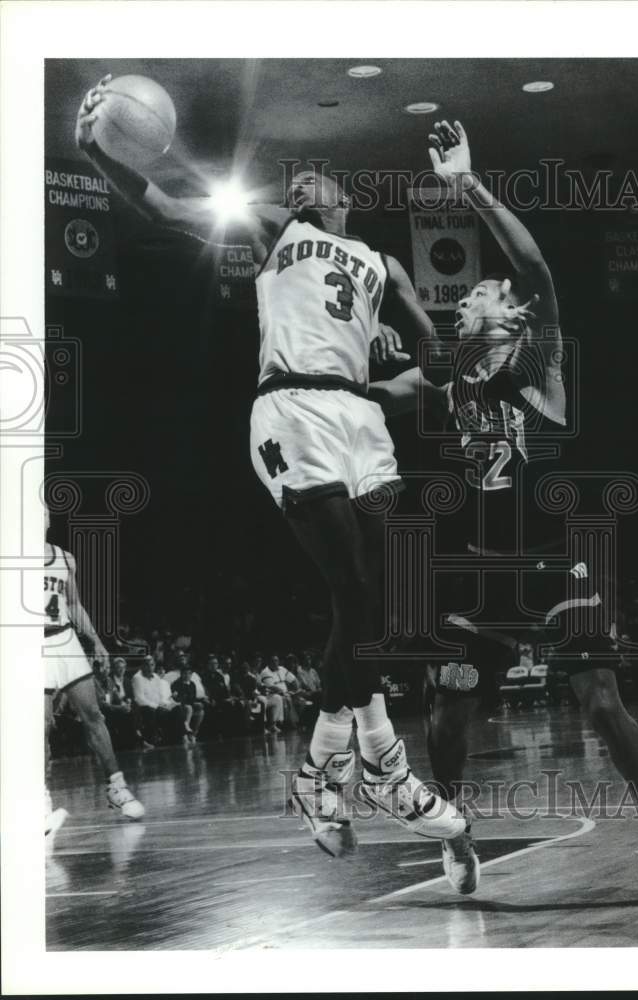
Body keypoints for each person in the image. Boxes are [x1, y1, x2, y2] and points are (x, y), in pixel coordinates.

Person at [75, 77, 464, 857]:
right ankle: (380, 759)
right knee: (350, 586)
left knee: (379, 602)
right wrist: (95, 152)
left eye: (316, 176)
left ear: (343, 197)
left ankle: (320, 768)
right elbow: (161, 206)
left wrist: (400, 346)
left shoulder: (381, 263)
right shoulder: (274, 228)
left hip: (359, 416)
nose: (304, 180)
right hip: (291, 411)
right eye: (300, 178)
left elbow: (442, 362)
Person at [369, 120, 638, 911]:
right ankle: (456, 832)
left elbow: (535, 265)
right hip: (483, 565)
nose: (470, 294)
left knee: (598, 700)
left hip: (561, 550)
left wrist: (468, 185)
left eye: (482, 290)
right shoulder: (450, 373)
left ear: (511, 310)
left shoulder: (535, 354)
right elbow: (388, 379)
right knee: (449, 710)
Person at [43, 504, 144, 832]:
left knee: (94, 715)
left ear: (47, 519)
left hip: (65, 639)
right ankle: (39, 801)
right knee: (40, 726)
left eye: (42, 513)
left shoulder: (63, 557)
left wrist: (97, 642)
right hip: (32, 646)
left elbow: (73, 604)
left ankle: (117, 788)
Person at [131, 655, 184, 745]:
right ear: (142, 666)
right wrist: (157, 706)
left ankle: (178, 739)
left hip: (159, 706)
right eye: (147, 665)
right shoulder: (137, 678)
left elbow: (161, 695)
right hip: (145, 708)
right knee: (151, 711)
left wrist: (166, 704)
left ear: (154, 666)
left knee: (177, 709)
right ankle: (153, 739)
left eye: (152, 665)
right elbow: (139, 699)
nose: (150, 667)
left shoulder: (156, 677)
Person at [171, 664, 205, 744]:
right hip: (180, 705)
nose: (187, 675)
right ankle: (186, 726)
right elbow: (177, 698)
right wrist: (186, 700)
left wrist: (194, 702)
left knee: (201, 709)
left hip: (189, 703)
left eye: (189, 673)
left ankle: (193, 734)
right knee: (189, 708)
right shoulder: (176, 684)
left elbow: (193, 698)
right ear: (181, 674)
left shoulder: (192, 684)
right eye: (185, 673)